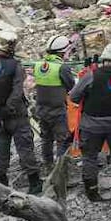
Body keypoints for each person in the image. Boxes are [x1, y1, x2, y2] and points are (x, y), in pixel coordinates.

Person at [69, 43, 111, 202]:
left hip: (92, 124)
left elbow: (74, 97)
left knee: (90, 157)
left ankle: (92, 191)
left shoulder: (92, 75)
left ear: (104, 58)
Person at [0, 31, 42, 195]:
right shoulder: (15, 65)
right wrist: (9, 108)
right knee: (25, 148)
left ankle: (2, 185)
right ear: (11, 47)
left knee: (0, 149)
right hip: (16, 115)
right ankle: (35, 184)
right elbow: (17, 90)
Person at [32, 35, 76, 170]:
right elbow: (71, 86)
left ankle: (48, 166)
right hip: (57, 111)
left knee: (46, 139)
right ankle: (60, 171)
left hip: (41, 110)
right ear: (62, 52)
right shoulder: (62, 67)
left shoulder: (38, 65)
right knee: (62, 140)